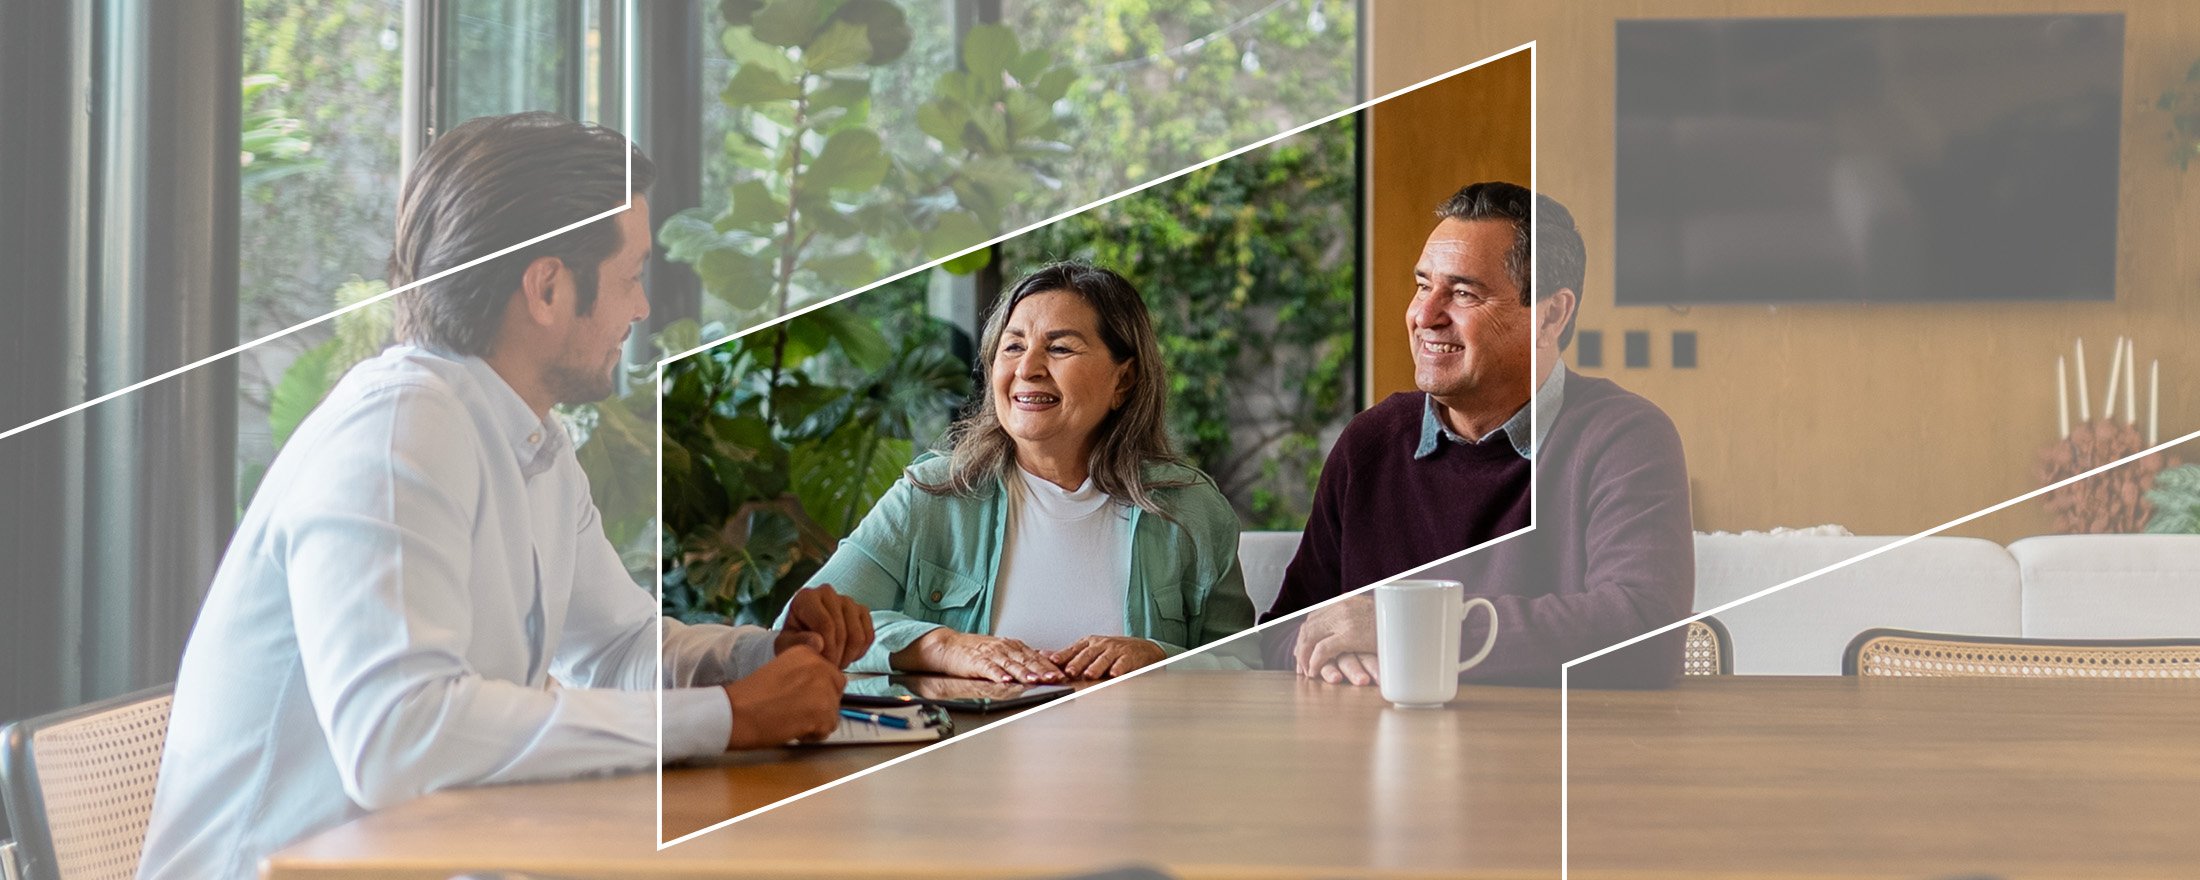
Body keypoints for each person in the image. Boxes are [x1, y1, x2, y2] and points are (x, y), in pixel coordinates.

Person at [139, 113, 872, 880]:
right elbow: (398, 738)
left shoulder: (529, 442)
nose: (641, 308)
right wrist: (732, 717)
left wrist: (763, 659)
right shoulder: (398, 435)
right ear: (549, 287)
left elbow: (618, 649)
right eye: (631, 275)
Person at [1261, 182, 1693, 688]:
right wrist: (1332, 654)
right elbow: (1285, 628)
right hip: (1384, 755)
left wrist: (1402, 628)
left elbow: (1644, 631)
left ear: (1550, 315)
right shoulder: (1370, 441)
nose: (1424, 316)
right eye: (1423, 285)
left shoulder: (1625, 438)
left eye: (1463, 293)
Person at [795, 262, 1254, 683]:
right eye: (1012, 347)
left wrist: (1160, 657)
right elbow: (804, 630)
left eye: (1059, 348)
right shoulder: (931, 495)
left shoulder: (1193, 509)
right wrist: (940, 646)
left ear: (1124, 379)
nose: (1027, 369)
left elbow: (1249, 667)